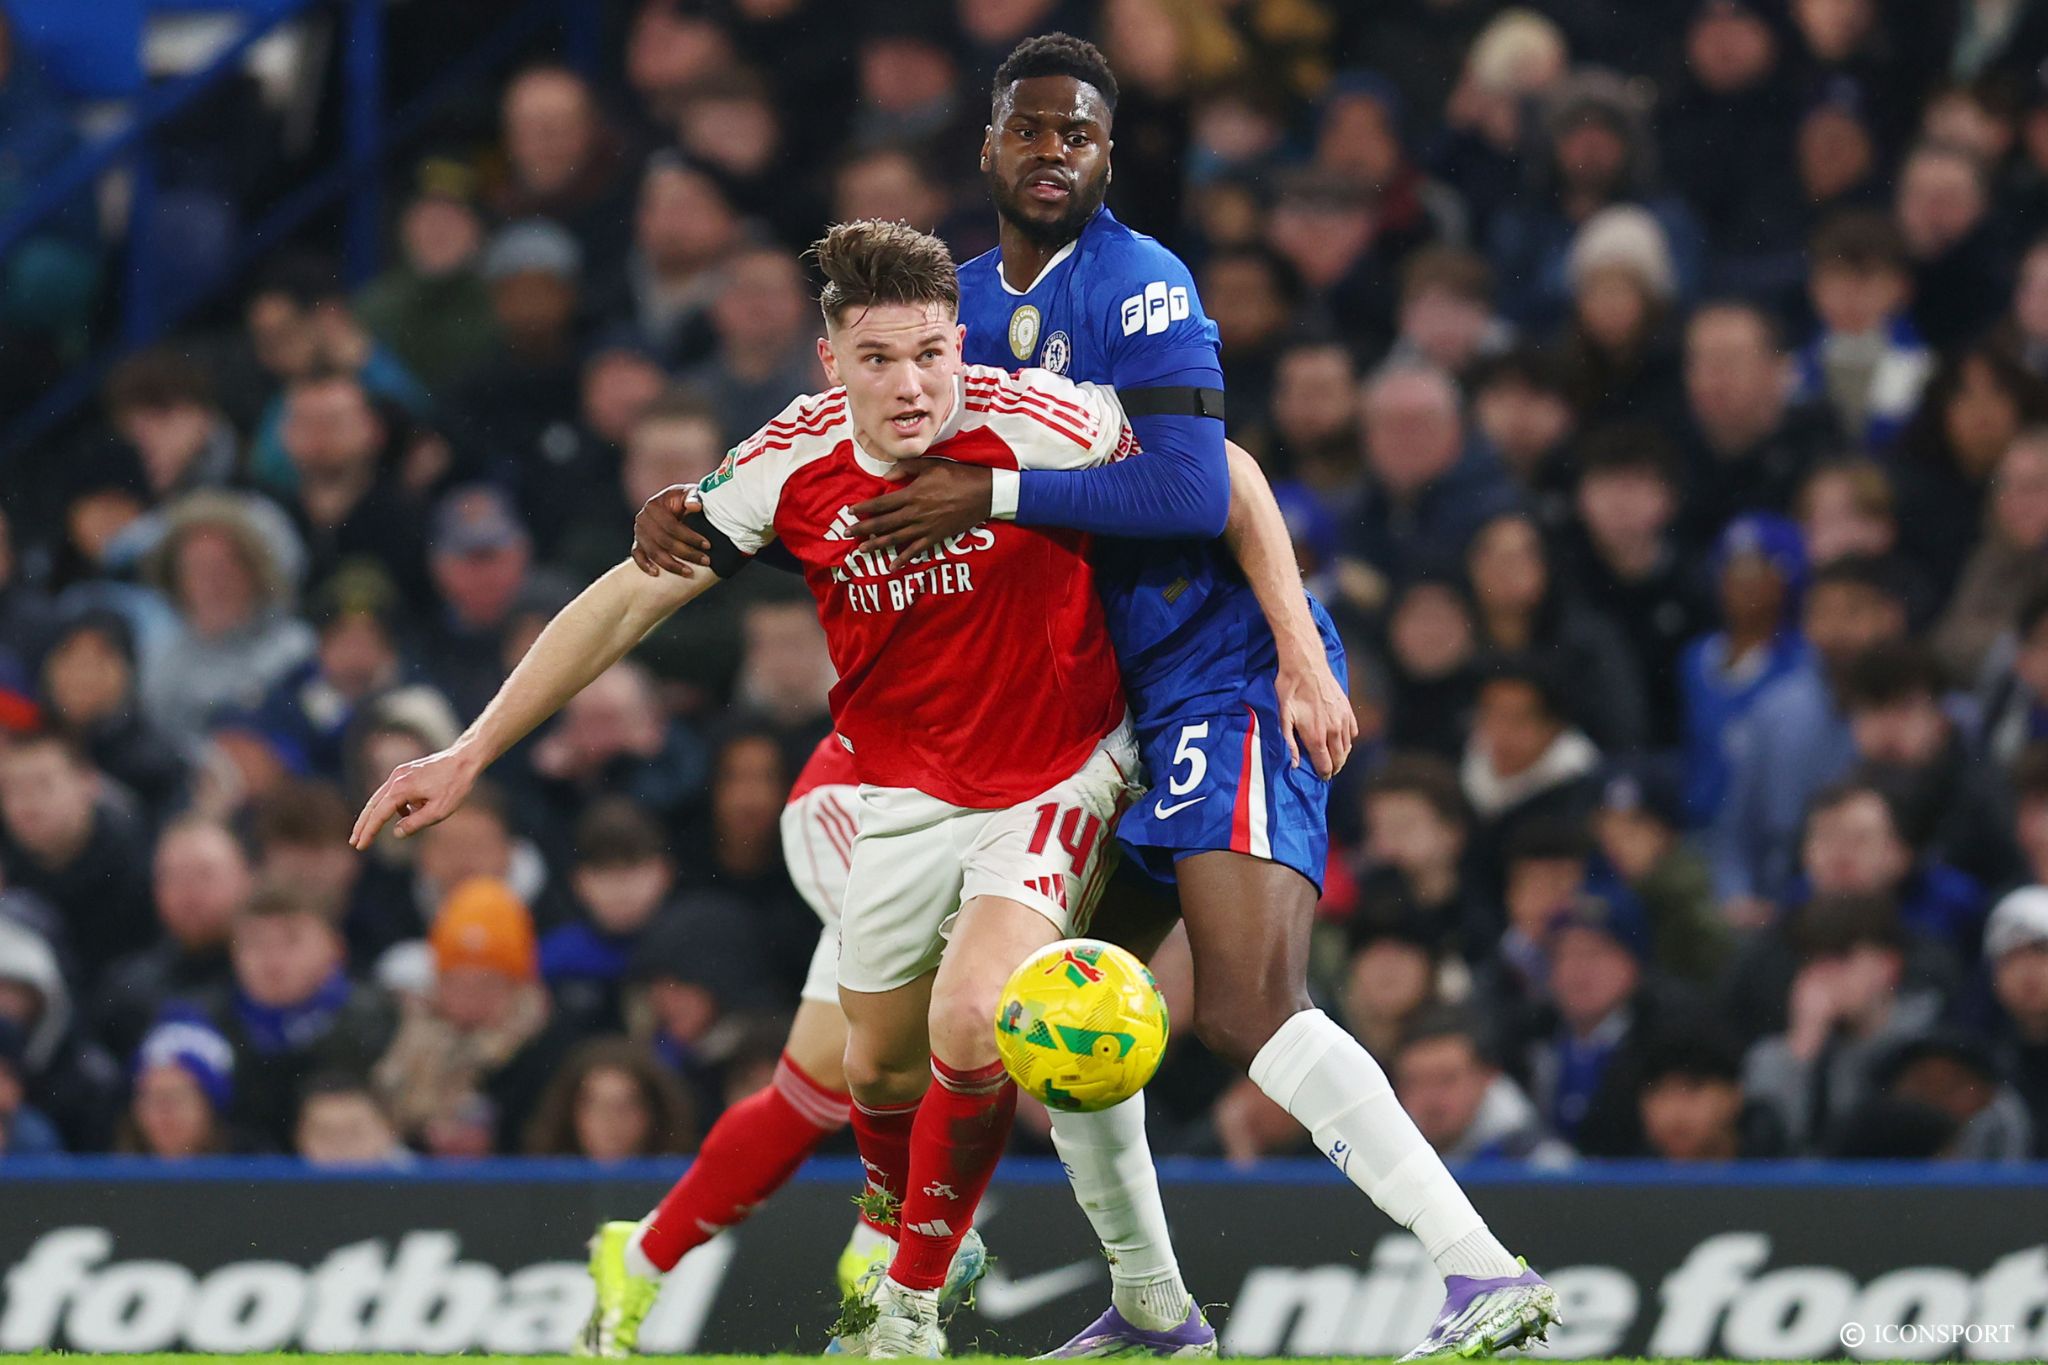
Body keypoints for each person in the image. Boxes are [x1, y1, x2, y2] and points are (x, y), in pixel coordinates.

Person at [639, 36, 1552, 1363]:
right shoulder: (946, 313)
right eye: (1029, 128)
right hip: (1106, 719)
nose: (1052, 150)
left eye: (1078, 132)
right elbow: (847, 468)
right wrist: (702, 507)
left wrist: (1294, 646)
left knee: (1243, 1003)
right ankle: (1152, 1307)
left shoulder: (1140, 284)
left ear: (1110, 153)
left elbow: (1211, 479)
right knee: (1063, 1012)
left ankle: (1483, 1272)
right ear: (988, 145)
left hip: (1214, 674)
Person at [354, 218, 1150, 1357]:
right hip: (883, 794)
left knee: (971, 1017)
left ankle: (907, 1298)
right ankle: (878, 1231)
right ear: (831, 363)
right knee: (866, 1067)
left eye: (932, 353)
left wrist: (1288, 651)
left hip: (1056, 773)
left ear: (960, 345)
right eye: (878, 358)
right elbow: (627, 600)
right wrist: (469, 751)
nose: (912, 384)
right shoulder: (788, 460)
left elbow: (1207, 479)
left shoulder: (1049, 420)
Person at [522, 1036, 695, 1160]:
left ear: (652, 1113)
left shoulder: (681, 1184)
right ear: (570, 1112)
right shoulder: (537, 1189)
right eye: (596, 1106)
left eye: (625, 1106)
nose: (610, 1121)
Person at [295, 1071, 412, 1168]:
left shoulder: (415, 1179)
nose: (341, 1146)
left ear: (389, 1131)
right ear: (299, 1137)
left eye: (354, 1133)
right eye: (326, 1135)